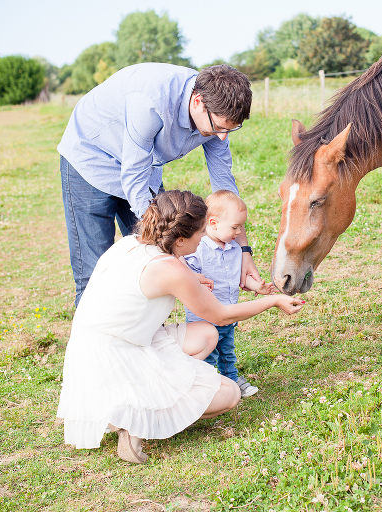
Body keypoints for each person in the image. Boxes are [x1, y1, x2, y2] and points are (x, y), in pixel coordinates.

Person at [56, 190, 304, 464]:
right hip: (116, 356)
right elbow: (220, 315)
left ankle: (145, 401)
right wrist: (273, 300)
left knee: (205, 335)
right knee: (229, 394)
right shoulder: (171, 269)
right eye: (200, 234)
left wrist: (193, 277)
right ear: (182, 238)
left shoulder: (130, 244)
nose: (202, 240)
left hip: (101, 346)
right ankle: (132, 419)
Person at [57, 63, 262, 307]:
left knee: (156, 265)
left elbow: (225, 190)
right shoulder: (152, 101)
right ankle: (92, 343)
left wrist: (243, 251)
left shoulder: (216, 118)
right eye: (219, 127)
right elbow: (133, 177)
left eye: (231, 128)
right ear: (197, 101)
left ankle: (142, 341)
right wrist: (173, 252)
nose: (222, 137)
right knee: (94, 273)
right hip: (91, 159)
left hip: (142, 163)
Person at [184, 191, 275, 398]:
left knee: (227, 350)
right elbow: (184, 274)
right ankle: (206, 385)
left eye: (241, 226)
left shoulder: (234, 249)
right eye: (235, 227)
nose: (239, 232)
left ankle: (232, 379)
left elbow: (240, 279)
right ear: (213, 223)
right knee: (207, 352)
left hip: (229, 313)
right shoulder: (197, 249)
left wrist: (257, 286)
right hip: (203, 317)